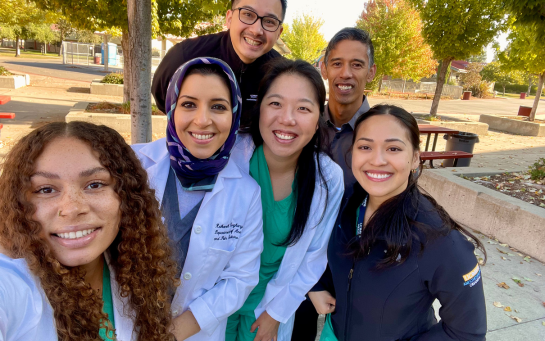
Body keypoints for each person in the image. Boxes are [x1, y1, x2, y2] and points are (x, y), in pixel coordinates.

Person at [309, 104, 487, 341]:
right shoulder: (345, 204)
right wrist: (318, 284)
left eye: (393, 148)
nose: (377, 160)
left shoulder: (438, 238)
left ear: (415, 158)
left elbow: (467, 334)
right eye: (365, 146)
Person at [0, 121, 178, 341]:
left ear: (128, 198)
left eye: (94, 185)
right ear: (17, 205)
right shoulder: (9, 284)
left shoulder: (130, 268)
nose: (73, 208)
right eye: (45, 189)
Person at [133, 57, 264, 341]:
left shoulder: (246, 194)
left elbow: (240, 280)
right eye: (189, 104)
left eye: (218, 106)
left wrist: (170, 333)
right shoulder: (133, 166)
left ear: (235, 114)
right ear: (171, 109)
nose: (202, 120)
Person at [226, 59, 344, 341]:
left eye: (303, 108)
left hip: (269, 304)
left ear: (318, 121)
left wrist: (275, 315)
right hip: (217, 297)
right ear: (260, 109)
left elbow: (313, 258)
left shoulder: (328, 178)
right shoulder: (230, 157)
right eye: (275, 103)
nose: (287, 118)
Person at [291, 27, 377, 341]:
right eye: (337, 63)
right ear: (324, 67)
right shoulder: (304, 123)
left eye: (356, 64)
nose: (346, 73)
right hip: (296, 262)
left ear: (371, 71)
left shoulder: (381, 132)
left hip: (353, 268)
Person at [152, 0, 286, 127]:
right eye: (248, 14)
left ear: (279, 32)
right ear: (229, 18)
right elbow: (164, 100)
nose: (256, 30)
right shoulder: (185, 56)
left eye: (269, 21)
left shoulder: (282, 75)